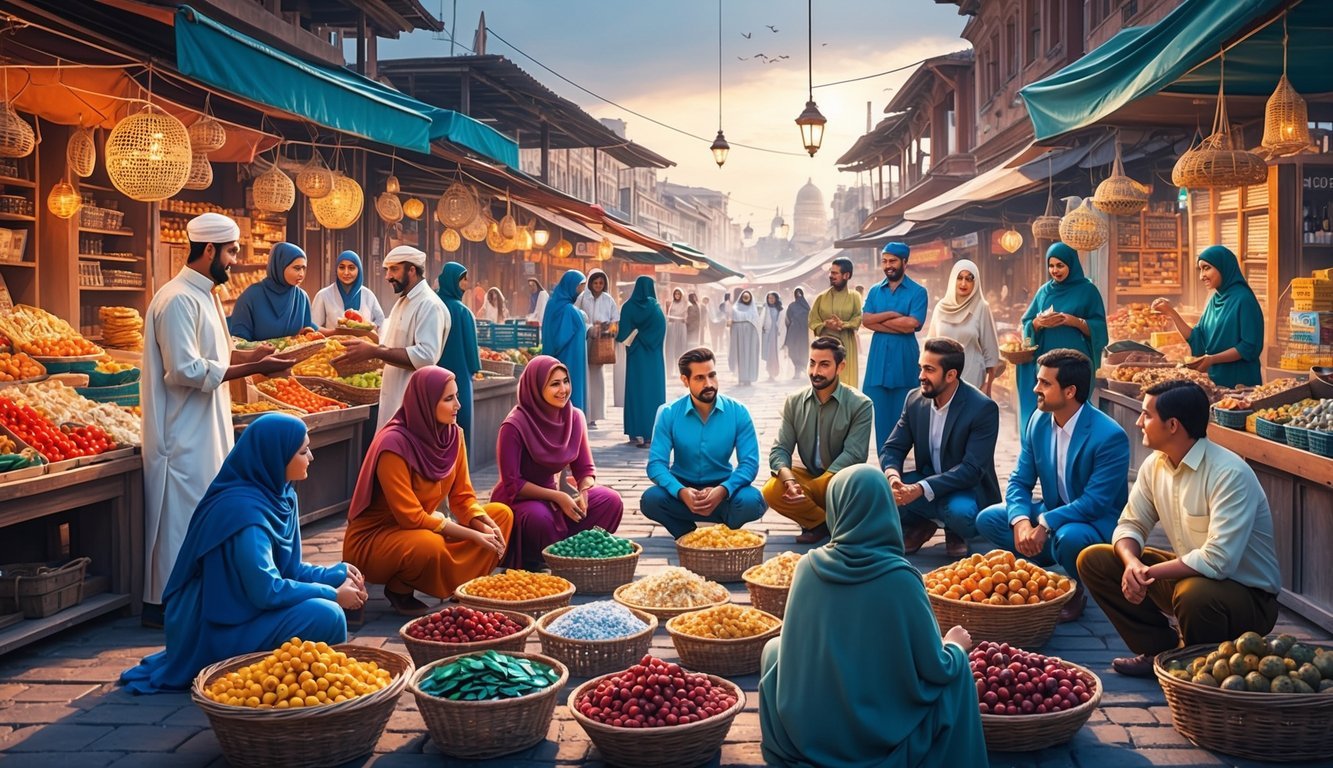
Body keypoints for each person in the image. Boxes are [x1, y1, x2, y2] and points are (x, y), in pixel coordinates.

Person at [759, 465, 987, 768]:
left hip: (814, 731)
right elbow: (935, 666)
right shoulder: (902, 579)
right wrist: (955, 647)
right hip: (886, 735)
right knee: (957, 672)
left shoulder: (808, 568)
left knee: (774, 650)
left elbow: (798, 646)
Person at [122, 414, 366, 693]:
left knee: (326, 611)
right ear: (276, 457)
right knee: (327, 614)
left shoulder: (282, 495)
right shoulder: (243, 513)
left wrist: (335, 573)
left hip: (248, 607)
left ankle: (308, 685)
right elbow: (267, 590)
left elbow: (288, 569)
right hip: (217, 626)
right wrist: (333, 594)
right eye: (302, 451)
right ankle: (307, 687)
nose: (311, 456)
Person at [141, 213, 296, 628]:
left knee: (204, 514)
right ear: (208, 250)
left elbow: (220, 355)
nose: (234, 260)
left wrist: (260, 358)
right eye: (230, 252)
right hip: (181, 433)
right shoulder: (176, 300)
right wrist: (251, 371)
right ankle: (166, 605)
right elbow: (185, 371)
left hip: (207, 426)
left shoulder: (206, 295)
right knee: (181, 517)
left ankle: (200, 599)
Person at [1077, 380, 1280, 677]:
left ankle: (1198, 668)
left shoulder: (1229, 474)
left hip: (1248, 598)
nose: (1138, 422)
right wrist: (1132, 564)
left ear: (1172, 425)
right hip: (1192, 579)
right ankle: (1160, 650)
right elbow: (1130, 524)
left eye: (1147, 414)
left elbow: (1217, 560)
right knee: (1094, 559)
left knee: (1193, 593)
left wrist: (1148, 573)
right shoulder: (1155, 465)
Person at [975, 349, 1130, 623]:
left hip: (1093, 523)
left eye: (1045, 383)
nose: (1036, 389)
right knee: (989, 519)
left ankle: (1078, 586)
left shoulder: (1110, 436)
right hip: (1052, 513)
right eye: (1038, 381)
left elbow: (1095, 502)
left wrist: (1044, 524)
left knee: (1070, 538)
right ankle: (1041, 564)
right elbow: (1019, 481)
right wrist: (1022, 522)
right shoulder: (1038, 420)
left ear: (1070, 391)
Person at [343, 367, 512, 615]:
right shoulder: (393, 445)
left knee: (502, 514)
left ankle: (462, 585)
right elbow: (410, 517)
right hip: (375, 540)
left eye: (456, 396)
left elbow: (463, 497)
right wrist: (474, 536)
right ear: (424, 402)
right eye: (448, 399)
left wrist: (484, 523)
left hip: (425, 528)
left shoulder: (454, 436)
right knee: (429, 545)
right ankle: (399, 589)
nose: (458, 405)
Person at [492, 356, 624, 570]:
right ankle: (543, 555)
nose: (563, 389)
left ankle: (572, 551)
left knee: (611, 500)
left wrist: (584, 492)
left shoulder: (574, 417)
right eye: (554, 384)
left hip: (555, 500)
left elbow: (585, 469)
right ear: (535, 388)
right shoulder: (514, 426)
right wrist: (558, 496)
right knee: (539, 519)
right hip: (521, 500)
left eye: (565, 381)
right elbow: (512, 484)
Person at [881, 338, 1001, 558]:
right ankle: (926, 522)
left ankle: (951, 528)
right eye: (921, 368)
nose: (920, 376)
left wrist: (919, 490)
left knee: (960, 515)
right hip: (926, 480)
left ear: (951, 375)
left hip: (965, 488)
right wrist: (893, 478)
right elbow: (892, 448)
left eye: (929, 369)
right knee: (880, 495)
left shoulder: (983, 408)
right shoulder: (914, 399)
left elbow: (971, 470)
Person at [642, 348, 765, 539]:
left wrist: (723, 491)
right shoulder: (668, 413)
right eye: (699, 378)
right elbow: (656, 465)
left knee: (753, 501)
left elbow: (749, 464)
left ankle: (723, 532)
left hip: (723, 490)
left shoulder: (738, 412)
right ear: (685, 380)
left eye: (712, 375)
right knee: (651, 500)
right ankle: (686, 535)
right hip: (682, 491)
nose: (709, 384)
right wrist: (681, 492)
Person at [762, 337, 874, 544]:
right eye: (812, 363)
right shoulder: (794, 401)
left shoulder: (861, 404)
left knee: (865, 486)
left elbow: (855, 454)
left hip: (842, 482)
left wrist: (815, 487)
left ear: (840, 367)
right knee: (772, 489)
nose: (815, 372)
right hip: (810, 478)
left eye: (824, 365)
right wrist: (790, 482)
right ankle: (822, 524)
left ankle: (820, 519)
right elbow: (780, 450)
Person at [336, 245, 449, 431]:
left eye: (394, 269)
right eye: (387, 270)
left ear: (412, 270)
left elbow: (426, 356)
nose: (388, 276)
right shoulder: (403, 302)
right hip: (394, 398)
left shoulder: (429, 305)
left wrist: (374, 351)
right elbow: (390, 344)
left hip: (412, 401)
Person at [1017, 243, 1108, 433]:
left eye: (1060, 265)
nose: (1055, 271)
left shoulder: (1088, 290)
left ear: (1071, 265)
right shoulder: (1044, 292)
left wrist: (1074, 321)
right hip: (1047, 363)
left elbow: (1100, 329)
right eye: (1051, 266)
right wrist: (1038, 323)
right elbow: (1027, 322)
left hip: (1077, 363)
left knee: (1073, 407)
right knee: (1048, 409)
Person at [1151, 245, 1263, 388]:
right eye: (1200, 269)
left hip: (1240, 383)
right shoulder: (1214, 299)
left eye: (1207, 268)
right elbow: (1197, 338)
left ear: (1223, 267)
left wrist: (1212, 359)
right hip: (1214, 381)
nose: (1201, 276)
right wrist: (1171, 312)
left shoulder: (1244, 299)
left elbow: (1249, 346)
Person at [863, 242, 929, 456]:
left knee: (908, 415)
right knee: (880, 415)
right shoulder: (874, 291)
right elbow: (865, 320)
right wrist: (893, 315)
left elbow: (913, 324)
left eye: (893, 261)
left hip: (905, 359)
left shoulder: (918, 292)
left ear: (904, 263)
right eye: (885, 261)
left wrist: (879, 322)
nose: (888, 265)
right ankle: (886, 465)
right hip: (878, 361)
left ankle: (904, 462)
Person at [928, 259, 1001, 396]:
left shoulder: (981, 307)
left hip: (973, 379)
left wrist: (987, 385)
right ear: (952, 280)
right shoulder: (940, 308)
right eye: (959, 278)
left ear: (976, 282)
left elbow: (991, 353)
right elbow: (930, 346)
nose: (963, 283)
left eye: (969, 279)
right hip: (942, 378)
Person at [435, 262, 482, 452]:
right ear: (454, 281)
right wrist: (475, 369)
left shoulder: (433, 305)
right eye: (463, 279)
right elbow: (472, 352)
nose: (466, 283)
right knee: (459, 423)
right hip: (460, 376)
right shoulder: (463, 312)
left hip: (434, 376)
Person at [227, 242, 315, 341]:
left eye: (304, 268)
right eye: (297, 268)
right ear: (280, 265)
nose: (301, 274)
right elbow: (239, 342)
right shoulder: (251, 297)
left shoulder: (301, 297)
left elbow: (307, 333)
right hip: (258, 357)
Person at [616, 276, 667, 447]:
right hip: (653, 359)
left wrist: (636, 336)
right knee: (653, 393)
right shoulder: (656, 309)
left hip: (636, 356)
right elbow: (661, 332)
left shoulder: (628, 307)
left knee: (635, 393)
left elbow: (622, 334)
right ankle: (650, 435)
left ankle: (633, 431)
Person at [576, 268, 619, 429]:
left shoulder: (609, 299)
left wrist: (607, 329)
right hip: (585, 340)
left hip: (601, 342)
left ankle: (595, 415)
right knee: (584, 375)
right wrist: (589, 328)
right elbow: (577, 316)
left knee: (597, 379)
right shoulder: (582, 298)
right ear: (590, 283)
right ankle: (584, 413)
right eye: (595, 282)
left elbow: (615, 320)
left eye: (601, 283)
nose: (598, 285)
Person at [809, 258, 862, 387]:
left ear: (846, 275)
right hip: (825, 346)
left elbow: (858, 318)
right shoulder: (821, 298)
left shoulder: (855, 297)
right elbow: (812, 320)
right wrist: (825, 325)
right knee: (824, 381)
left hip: (847, 345)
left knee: (846, 382)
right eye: (830, 273)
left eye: (835, 273)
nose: (831, 276)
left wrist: (843, 325)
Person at [541, 269, 588, 413]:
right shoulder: (569, 310)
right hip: (570, 361)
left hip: (559, 360)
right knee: (569, 395)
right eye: (580, 286)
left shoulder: (553, 305)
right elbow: (561, 337)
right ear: (571, 285)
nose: (581, 290)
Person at [311, 250, 386, 332]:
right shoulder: (323, 295)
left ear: (359, 270)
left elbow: (380, 321)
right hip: (334, 344)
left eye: (351, 268)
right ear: (336, 269)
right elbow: (314, 326)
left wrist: (370, 330)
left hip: (364, 343)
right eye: (342, 267)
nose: (346, 272)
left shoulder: (368, 295)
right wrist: (334, 333)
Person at [729, 290, 762, 386]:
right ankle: (741, 377)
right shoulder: (735, 308)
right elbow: (732, 322)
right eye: (744, 297)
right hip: (738, 334)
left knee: (750, 355)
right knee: (740, 356)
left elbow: (757, 324)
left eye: (747, 297)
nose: (746, 299)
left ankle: (749, 378)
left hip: (751, 335)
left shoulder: (753, 309)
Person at [783, 287, 811, 380]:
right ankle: (797, 369)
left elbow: (810, 318)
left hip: (803, 332)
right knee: (793, 350)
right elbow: (788, 319)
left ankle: (802, 369)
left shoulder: (806, 306)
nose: (798, 295)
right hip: (793, 331)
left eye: (800, 293)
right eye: (797, 293)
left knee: (803, 350)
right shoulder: (791, 306)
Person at [760, 291, 784, 382]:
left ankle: (774, 372)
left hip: (776, 333)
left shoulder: (780, 309)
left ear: (776, 299)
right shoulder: (765, 308)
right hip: (767, 333)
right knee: (768, 353)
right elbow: (761, 320)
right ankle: (770, 372)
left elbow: (782, 321)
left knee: (774, 354)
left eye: (773, 298)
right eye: (769, 298)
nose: (771, 300)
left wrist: (780, 330)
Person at [664, 287, 689, 366]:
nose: (677, 295)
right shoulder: (672, 303)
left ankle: (681, 365)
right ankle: (673, 367)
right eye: (675, 293)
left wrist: (673, 318)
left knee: (681, 345)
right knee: (673, 346)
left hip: (681, 327)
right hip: (673, 327)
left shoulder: (685, 304)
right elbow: (668, 316)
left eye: (678, 294)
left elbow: (685, 317)